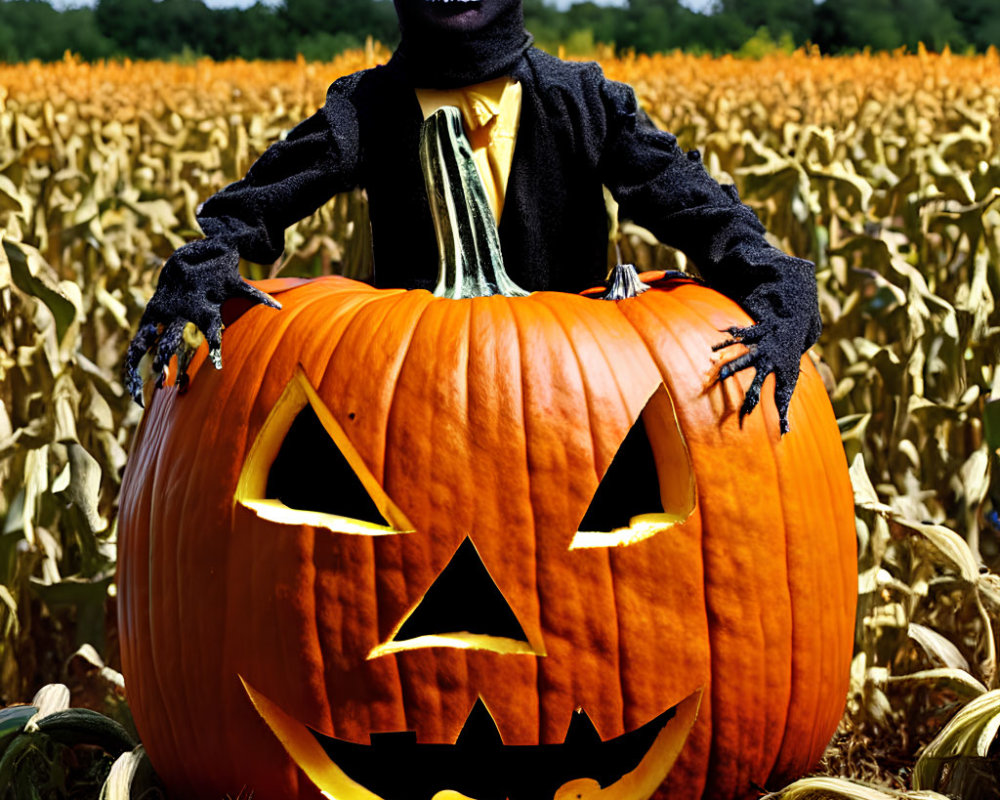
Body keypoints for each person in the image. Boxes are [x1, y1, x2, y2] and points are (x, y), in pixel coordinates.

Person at [125, 0, 821, 433]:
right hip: (416, 406)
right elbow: (254, 206)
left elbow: (693, 204)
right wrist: (205, 266)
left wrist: (774, 286)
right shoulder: (365, 109)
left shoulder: (585, 101)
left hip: (579, 403)